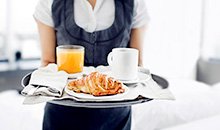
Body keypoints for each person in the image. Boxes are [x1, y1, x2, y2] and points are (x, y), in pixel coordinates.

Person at [34, 0, 149, 129]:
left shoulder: (135, 3)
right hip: (62, 113)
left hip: (116, 116)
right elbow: (48, 63)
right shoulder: (49, 2)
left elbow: (136, 65)